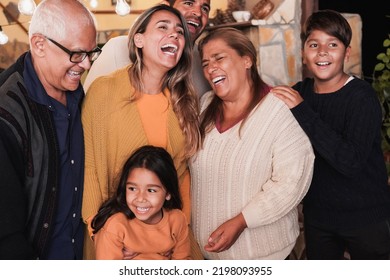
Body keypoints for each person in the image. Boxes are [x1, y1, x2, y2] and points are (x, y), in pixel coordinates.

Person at [82, 4, 201, 259]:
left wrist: (179, 231)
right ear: (139, 39)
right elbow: (88, 164)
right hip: (113, 237)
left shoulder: (184, 101)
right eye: (163, 27)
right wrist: (99, 229)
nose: (175, 35)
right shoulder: (104, 91)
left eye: (180, 32)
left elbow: (181, 176)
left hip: (166, 239)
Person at [272, 10, 390, 259]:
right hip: (319, 219)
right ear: (304, 54)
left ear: (346, 53)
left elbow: (350, 162)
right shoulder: (300, 92)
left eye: (332, 44)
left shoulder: (361, 97)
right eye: (314, 44)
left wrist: (302, 109)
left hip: (365, 219)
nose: (322, 52)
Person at [189, 27, 315, 260]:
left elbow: (291, 182)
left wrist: (241, 222)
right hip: (205, 258)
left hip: (266, 258)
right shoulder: (204, 105)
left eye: (219, 58)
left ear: (247, 60)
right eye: (205, 63)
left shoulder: (279, 108)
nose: (210, 69)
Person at [0, 0, 100, 259]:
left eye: (91, 53)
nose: (87, 65)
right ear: (39, 45)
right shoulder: (6, 110)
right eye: (77, 54)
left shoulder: (77, 94)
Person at [83, 0, 211, 97]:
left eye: (205, 8)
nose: (198, 13)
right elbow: (88, 106)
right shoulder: (117, 48)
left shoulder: (203, 60)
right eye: (188, 3)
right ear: (165, 5)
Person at [92, 145, 190, 260]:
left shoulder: (177, 220)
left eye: (151, 190)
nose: (140, 198)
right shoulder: (115, 227)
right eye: (132, 189)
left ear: (168, 193)